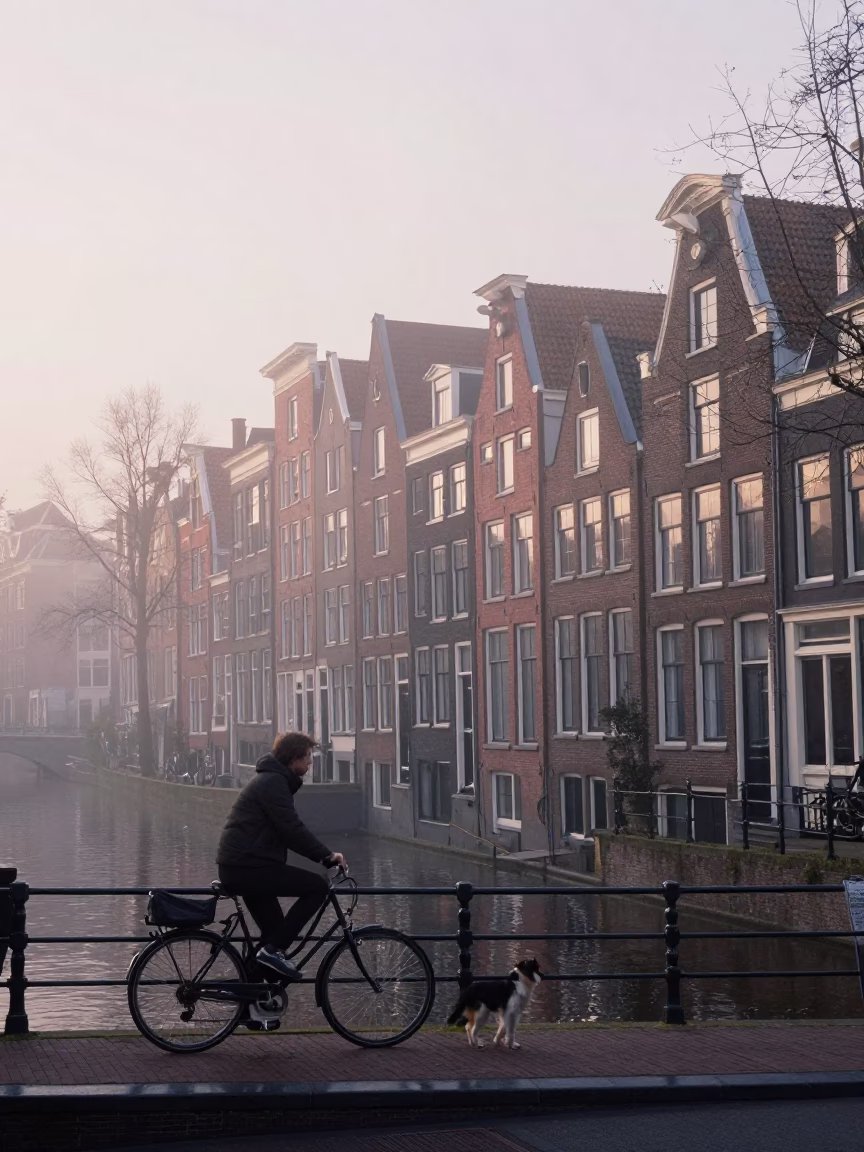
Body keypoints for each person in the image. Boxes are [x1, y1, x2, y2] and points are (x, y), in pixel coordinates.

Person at [216, 732, 346, 981]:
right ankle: (272, 952)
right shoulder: (273, 783)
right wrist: (326, 856)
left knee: (275, 932)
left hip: (243, 865)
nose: (310, 762)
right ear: (293, 758)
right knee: (317, 887)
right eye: (307, 756)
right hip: (247, 867)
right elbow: (291, 829)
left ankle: (250, 996)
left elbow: (287, 832)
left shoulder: (272, 780)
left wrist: (320, 856)